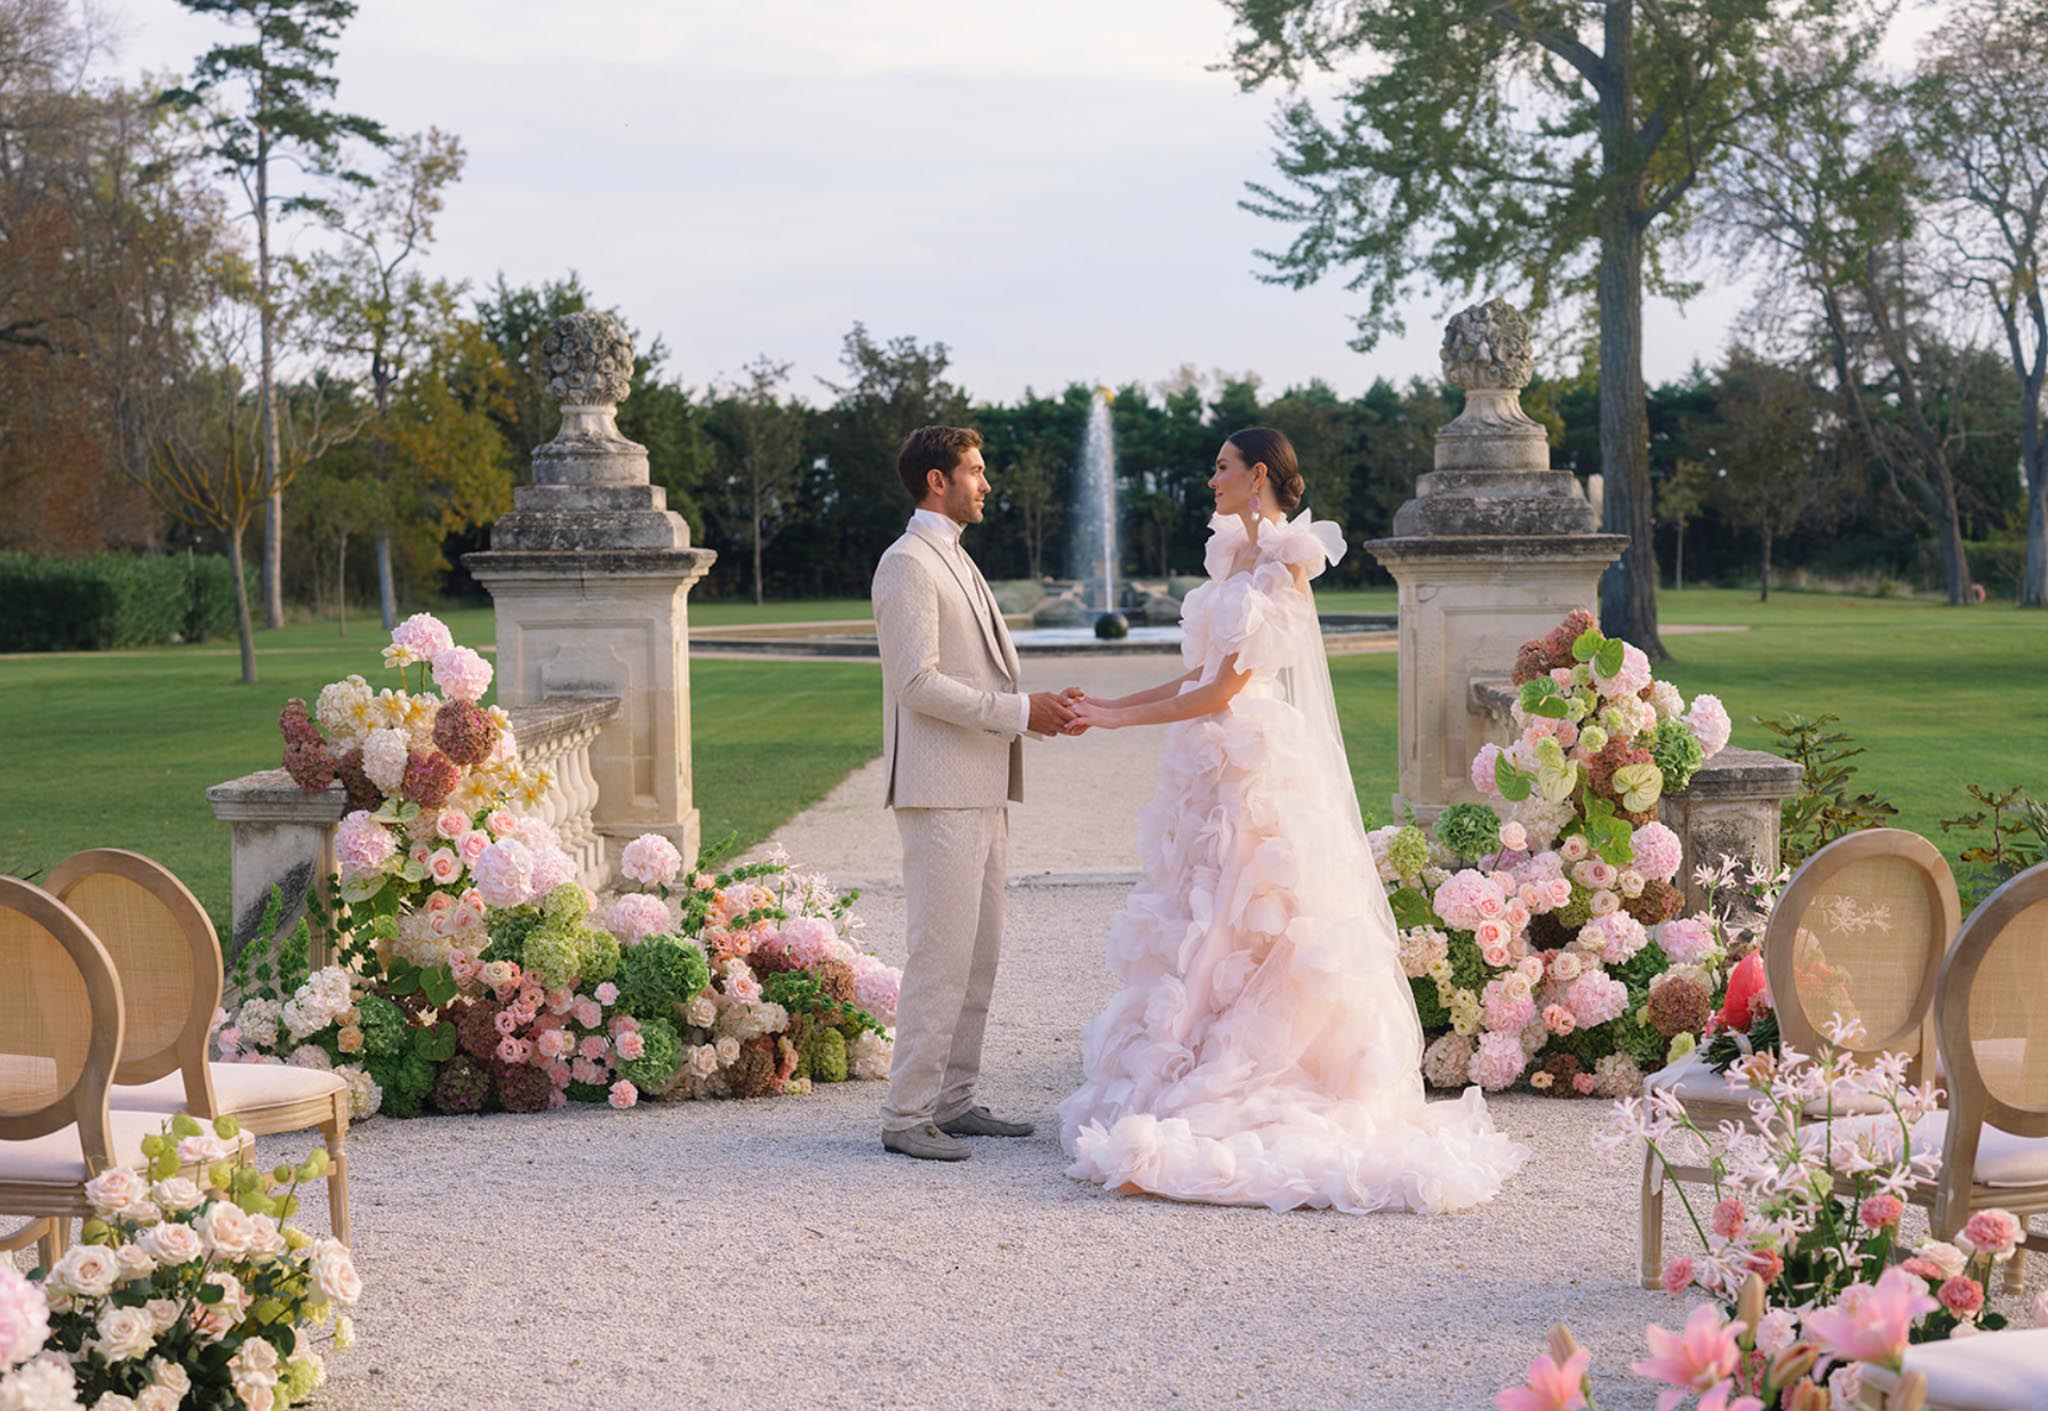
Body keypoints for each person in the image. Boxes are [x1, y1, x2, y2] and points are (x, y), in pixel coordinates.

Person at [1058, 427, 1528, 1212]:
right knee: (1203, 914)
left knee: (1250, 917)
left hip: (1252, 766)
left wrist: (1113, 722)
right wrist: (1109, 704)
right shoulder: (1232, 557)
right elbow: (1199, 673)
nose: (1211, 479)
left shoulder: (1283, 565)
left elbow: (1221, 693)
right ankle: (1184, 1055)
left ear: (1260, 476)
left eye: (1222, 468)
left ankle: (1248, 1066)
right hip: (1209, 768)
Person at [870, 425, 1084, 1161]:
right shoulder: (907, 564)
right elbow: (917, 683)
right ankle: (905, 1114)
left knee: (979, 953)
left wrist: (1034, 708)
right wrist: (1023, 713)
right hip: (939, 790)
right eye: (975, 470)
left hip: (981, 786)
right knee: (941, 952)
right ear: (938, 480)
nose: (985, 483)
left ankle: (952, 1099)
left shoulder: (953, 558)